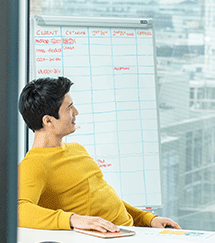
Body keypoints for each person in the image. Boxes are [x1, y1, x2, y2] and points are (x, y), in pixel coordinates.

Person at [18, 76, 180, 232]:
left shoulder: (76, 149)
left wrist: (146, 218)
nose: (76, 112)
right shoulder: (34, 164)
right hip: (108, 242)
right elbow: (18, 210)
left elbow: (104, 198)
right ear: (48, 121)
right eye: (69, 108)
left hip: (132, 232)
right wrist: (73, 220)